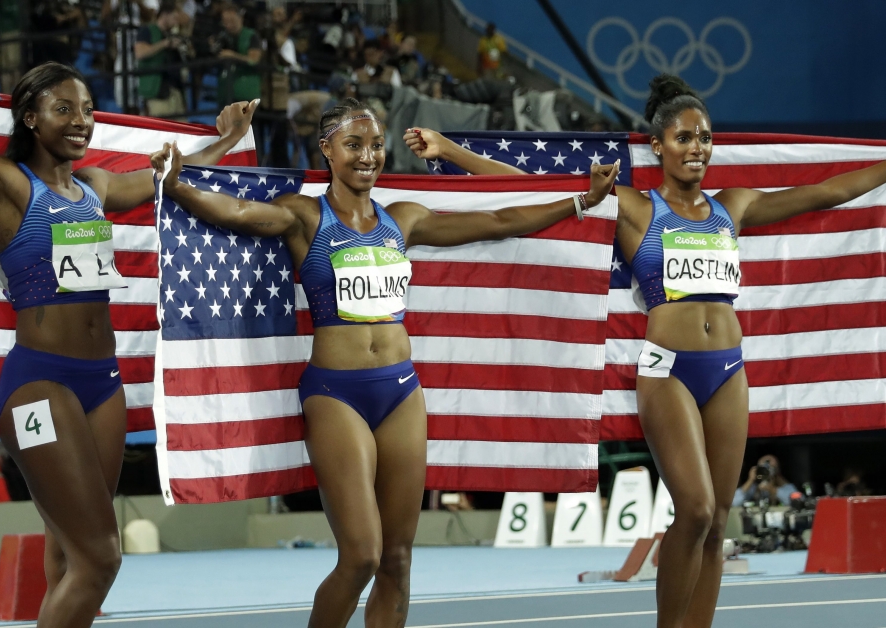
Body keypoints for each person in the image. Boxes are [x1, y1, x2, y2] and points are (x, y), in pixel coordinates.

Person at [404, 74, 886, 628]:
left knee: (718, 518)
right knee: (697, 508)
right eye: (684, 137)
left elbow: (829, 192)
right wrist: (448, 149)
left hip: (729, 370)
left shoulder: (736, 205)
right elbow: (534, 188)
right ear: (658, 146)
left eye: (704, 137)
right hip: (669, 374)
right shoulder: (635, 209)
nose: (697, 147)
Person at [153, 97, 619, 628]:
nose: (368, 156)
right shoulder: (306, 216)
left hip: (401, 392)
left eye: (376, 145)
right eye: (354, 145)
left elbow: (497, 221)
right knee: (362, 556)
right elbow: (237, 212)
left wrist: (581, 202)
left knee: (398, 560)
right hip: (336, 395)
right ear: (327, 150)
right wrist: (178, 186)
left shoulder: (403, 219)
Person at [0, 62, 256, 626]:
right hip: (38, 385)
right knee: (101, 557)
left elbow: (163, 177)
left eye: (88, 110)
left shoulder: (92, 185)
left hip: (104, 385)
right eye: (64, 109)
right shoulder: (5, 182)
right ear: (30, 117)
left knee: (71, 550)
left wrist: (227, 141)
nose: (82, 121)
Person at [135, 0, 192, 118]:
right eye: (174, 17)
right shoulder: (148, 30)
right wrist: (164, 44)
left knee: (181, 131)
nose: (176, 21)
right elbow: (140, 53)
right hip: (157, 90)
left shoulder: (172, 34)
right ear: (165, 14)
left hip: (175, 90)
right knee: (162, 131)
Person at [215, 5, 262, 105]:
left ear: (240, 18)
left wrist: (232, 56)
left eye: (231, 21)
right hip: (225, 92)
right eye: (225, 21)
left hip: (246, 93)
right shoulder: (222, 37)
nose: (228, 25)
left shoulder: (251, 35)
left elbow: (253, 60)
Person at [732, 454, 797, 506]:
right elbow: (733, 503)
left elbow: (798, 501)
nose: (766, 472)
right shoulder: (754, 488)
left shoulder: (784, 487)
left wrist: (773, 490)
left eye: (771, 468)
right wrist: (750, 480)